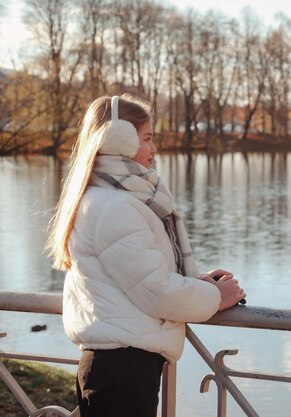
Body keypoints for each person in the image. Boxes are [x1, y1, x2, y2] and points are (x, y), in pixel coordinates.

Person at [46, 94, 246, 417]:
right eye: (147, 139)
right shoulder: (115, 207)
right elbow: (156, 291)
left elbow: (139, 278)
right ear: (118, 141)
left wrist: (196, 283)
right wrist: (215, 296)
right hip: (123, 370)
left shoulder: (104, 198)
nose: (154, 150)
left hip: (115, 366)